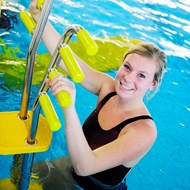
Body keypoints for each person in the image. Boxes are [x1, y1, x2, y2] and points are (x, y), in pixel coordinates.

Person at [29, 0, 166, 189]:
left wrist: (69, 108)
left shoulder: (144, 131)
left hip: (94, 186)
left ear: (153, 84)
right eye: (127, 67)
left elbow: (85, 167)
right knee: (23, 171)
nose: (127, 78)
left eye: (141, 75)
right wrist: (38, 16)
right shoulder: (108, 87)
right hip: (69, 168)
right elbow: (66, 60)